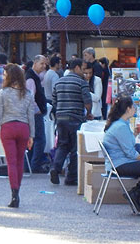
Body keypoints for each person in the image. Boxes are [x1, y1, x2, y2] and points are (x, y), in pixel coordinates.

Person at [102, 96, 140, 214]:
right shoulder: (121, 127)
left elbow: (125, 145)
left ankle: (135, 192)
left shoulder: (120, 124)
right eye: (133, 107)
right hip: (120, 164)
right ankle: (136, 193)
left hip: (117, 162)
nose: (135, 109)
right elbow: (131, 153)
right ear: (128, 109)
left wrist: (134, 134)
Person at [0, 64, 34, 208]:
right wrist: (32, 135)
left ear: (10, 76)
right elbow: (30, 115)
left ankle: (14, 194)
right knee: (20, 162)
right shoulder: (27, 93)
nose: (3, 77)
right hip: (24, 128)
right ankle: (17, 190)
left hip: (8, 128)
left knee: (11, 162)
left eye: (5, 75)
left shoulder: (3, 93)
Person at [50, 58, 92, 186]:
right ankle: (71, 177)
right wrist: (88, 113)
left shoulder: (58, 82)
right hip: (75, 118)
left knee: (62, 145)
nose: (85, 73)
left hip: (61, 118)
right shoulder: (81, 82)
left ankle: (55, 169)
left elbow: (54, 102)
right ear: (77, 68)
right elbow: (88, 102)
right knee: (75, 148)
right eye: (83, 69)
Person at [24, 55, 48, 172]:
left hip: (34, 113)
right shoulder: (31, 78)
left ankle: (29, 165)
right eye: (42, 64)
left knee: (34, 139)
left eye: (45, 64)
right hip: (34, 114)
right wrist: (37, 110)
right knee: (40, 139)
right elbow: (30, 97)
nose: (44, 66)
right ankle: (35, 165)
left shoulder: (35, 76)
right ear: (35, 63)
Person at [82, 47, 106, 119]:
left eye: (86, 55)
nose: (88, 75)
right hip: (82, 113)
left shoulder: (96, 79)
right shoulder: (80, 80)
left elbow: (97, 97)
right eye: (85, 73)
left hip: (95, 112)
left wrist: (84, 92)